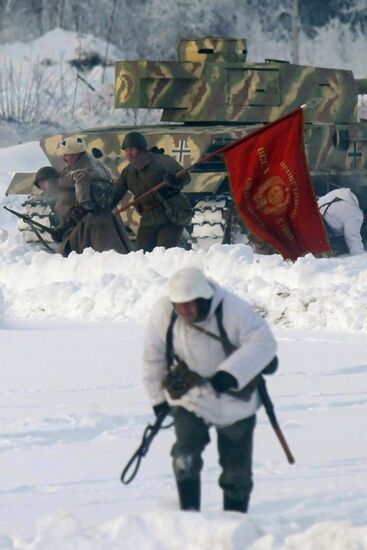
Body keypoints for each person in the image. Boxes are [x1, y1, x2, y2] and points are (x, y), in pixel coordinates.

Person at [143, 267, 277, 513]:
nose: (183, 311)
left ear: (204, 299)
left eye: (189, 304)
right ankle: (190, 519)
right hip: (191, 398)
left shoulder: (233, 309)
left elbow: (265, 343)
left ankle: (234, 527)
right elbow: (153, 357)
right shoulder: (163, 312)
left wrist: (230, 373)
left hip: (236, 400)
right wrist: (157, 400)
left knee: (236, 474)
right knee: (184, 457)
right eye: (178, 305)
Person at [113, 131, 192, 252]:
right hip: (148, 218)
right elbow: (115, 194)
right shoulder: (127, 172)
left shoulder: (162, 161)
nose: (129, 153)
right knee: (141, 254)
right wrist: (101, 207)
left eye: (132, 149)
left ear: (141, 149)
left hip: (170, 215)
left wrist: (174, 180)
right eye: (126, 150)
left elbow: (185, 177)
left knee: (163, 254)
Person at [54, 136, 133, 257]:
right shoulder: (95, 165)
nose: (63, 158)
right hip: (101, 220)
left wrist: (66, 225)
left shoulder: (85, 170)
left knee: (100, 259)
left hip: (92, 224)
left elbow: (87, 203)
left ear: (75, 155)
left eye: (66, 155)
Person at [317, 187, 366, 256]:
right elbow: (352, 239)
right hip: (322, 232)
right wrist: (361, 258)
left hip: (313, 214)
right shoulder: (355, 214)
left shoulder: (343, 191)